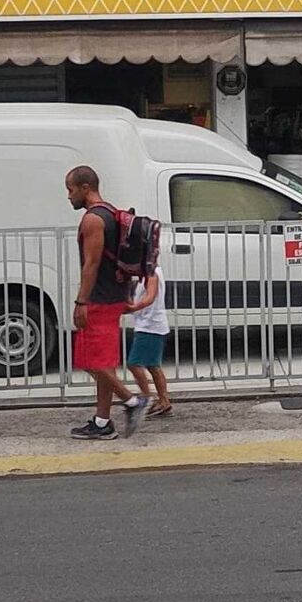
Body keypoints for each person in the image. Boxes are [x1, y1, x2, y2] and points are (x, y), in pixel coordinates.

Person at [65, 165, 146, 439]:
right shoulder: (111, 213)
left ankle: (132, 402)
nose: (69, 196)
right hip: (115, 297)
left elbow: (91, 264)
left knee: (87, 359)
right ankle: (102, 423)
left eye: (71, 189)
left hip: (98, 300)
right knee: (104, 362)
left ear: (85, 187)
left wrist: (81, 301)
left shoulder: (93, 220)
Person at [124, 267, 171, 418]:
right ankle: (163, 401)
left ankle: (146, 397)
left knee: (134, 363)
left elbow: (150, 297)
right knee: (153, 365)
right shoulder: (146, 274)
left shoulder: (152, 273)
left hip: (149, 326)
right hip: (150, 324)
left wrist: (132, 307)